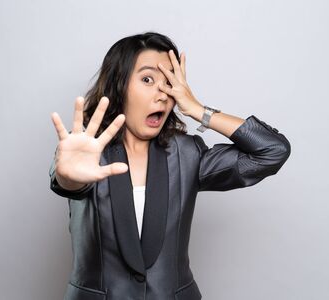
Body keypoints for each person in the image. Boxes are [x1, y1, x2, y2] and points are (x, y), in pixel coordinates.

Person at [49, 31, 291, 300]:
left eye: (169, 83)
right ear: (119, 85)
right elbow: (70, 180)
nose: (162, 95)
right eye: (148, 79)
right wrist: (68, 177)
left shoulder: (187, 153)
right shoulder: (84, 151)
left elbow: (272, 151)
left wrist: (199, 110)